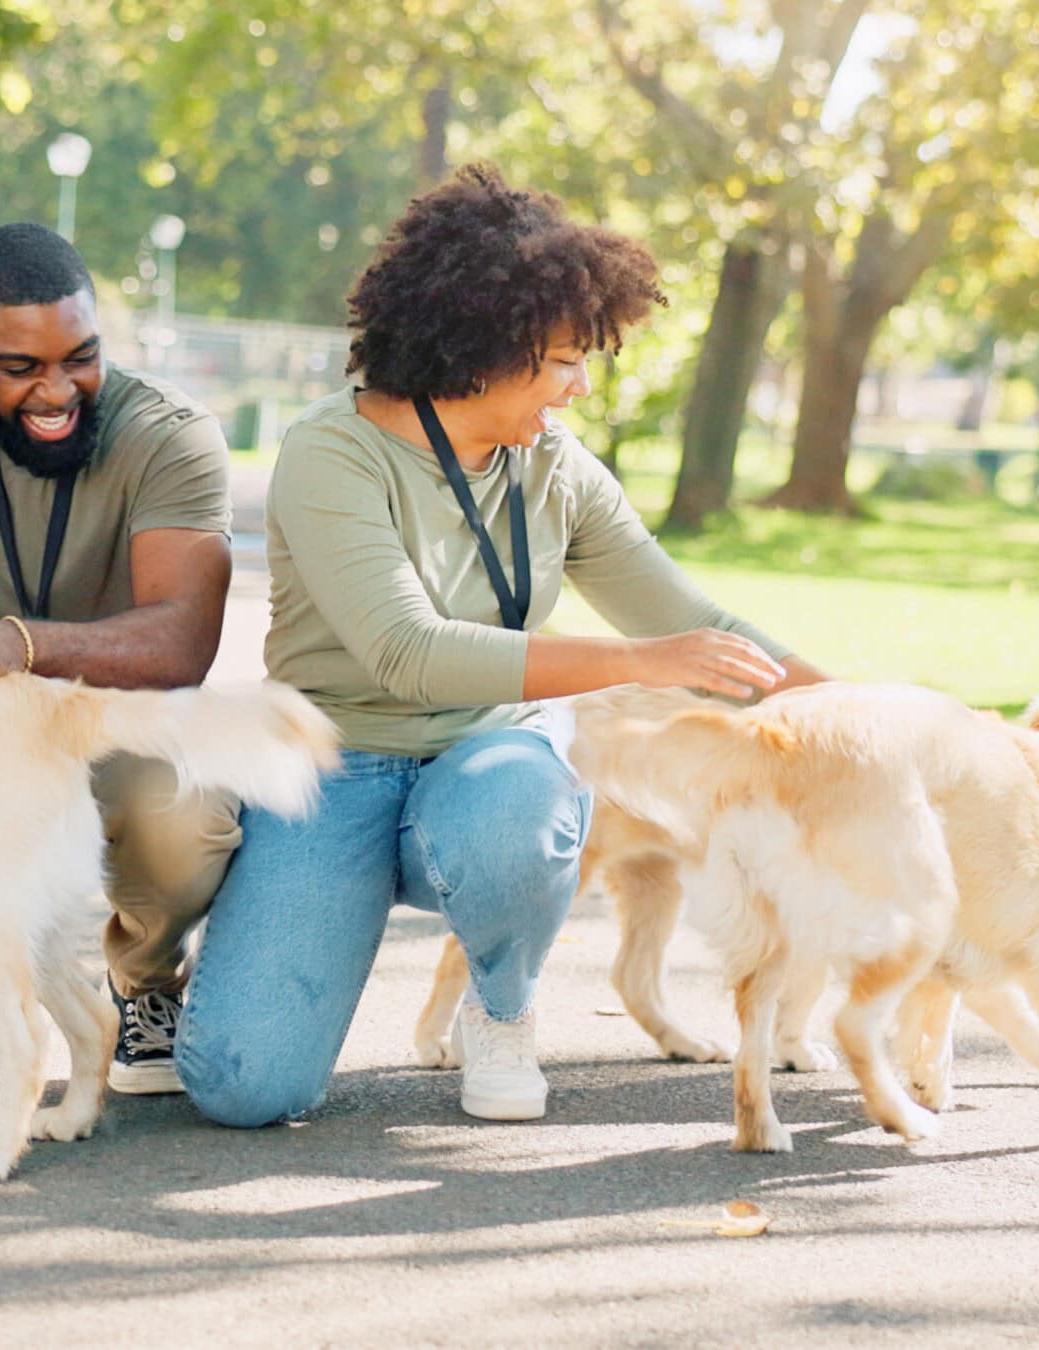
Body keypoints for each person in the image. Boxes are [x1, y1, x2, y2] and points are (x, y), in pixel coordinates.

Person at [175, 165, 829, 1128]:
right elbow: (407, 651)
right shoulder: (333, 452)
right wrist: (638, 662)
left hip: (486, 765)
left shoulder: (555, 465)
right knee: (244, 1090)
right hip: (336, 764)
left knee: (523, 797)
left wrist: (878, 719)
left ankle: (504, 1005)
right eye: (564, 359)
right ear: (485, 345)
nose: (578, 384)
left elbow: (698, 625)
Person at [0, 223, 238, 1097]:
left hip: (121, 723)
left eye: (81, 356)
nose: (57, 390)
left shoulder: (172, 436)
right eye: (20, 367)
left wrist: (21, 641)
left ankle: (144, 984)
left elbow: (180, 645)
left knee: (184, 802)